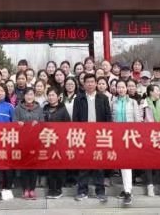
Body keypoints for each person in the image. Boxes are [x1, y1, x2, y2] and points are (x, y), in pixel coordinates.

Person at [72, 74, 111, 203]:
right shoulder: (79, 98)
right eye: (87, 82)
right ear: (84, 84)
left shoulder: (103, 98)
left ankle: (100, 191)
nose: (90, 84)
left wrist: (107, 132)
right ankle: (82, 191)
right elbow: (75, 118)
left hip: (99, 135)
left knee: (99, 164)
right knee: (84, 163)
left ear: (96, 84)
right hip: (84, 135)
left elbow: (108, 117)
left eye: (92, 82)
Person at [111, 79, 142, 206]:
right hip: (117, 136)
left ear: (127, 89)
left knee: (126, 163)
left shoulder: (133, 102)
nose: (121, 89)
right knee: (122, 163)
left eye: (123, 87)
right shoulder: (113, 102)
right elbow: (111, 120)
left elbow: (138, 119)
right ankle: (126, 189)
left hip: (130, 136)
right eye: (118, 87)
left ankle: (128, 191)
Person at [140, 84, 160, 198]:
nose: (159, 92)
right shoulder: (143, 105)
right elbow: (139, 119)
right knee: (148, 161)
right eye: (157, 90)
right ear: (150, 92)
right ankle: (150, 185)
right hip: (147, 136)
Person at [14, 88, 44, 199]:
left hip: (35, 142)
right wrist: (18, 124)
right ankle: (25, 189)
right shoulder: (18, 108)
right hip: (22, 142)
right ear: (24, 96)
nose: (29, 96)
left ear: (34, 96)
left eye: (31, 94)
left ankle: (32, 189)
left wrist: (38, 124)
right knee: (24, 166)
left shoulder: (39, 109)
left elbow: (43, 124)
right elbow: (13, 122)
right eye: (27, 94)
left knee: (33, 166)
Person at [43, 87, 70, 199]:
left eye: (53, 95)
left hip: (59, 142)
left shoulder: (63, 109)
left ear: (58, 97)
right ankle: (51, 188)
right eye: (49, 95)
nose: (51, 97)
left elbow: (68, 126)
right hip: (47, 141)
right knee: (50, 166)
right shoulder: (44, 109)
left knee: (59, 166)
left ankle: (58, 188)